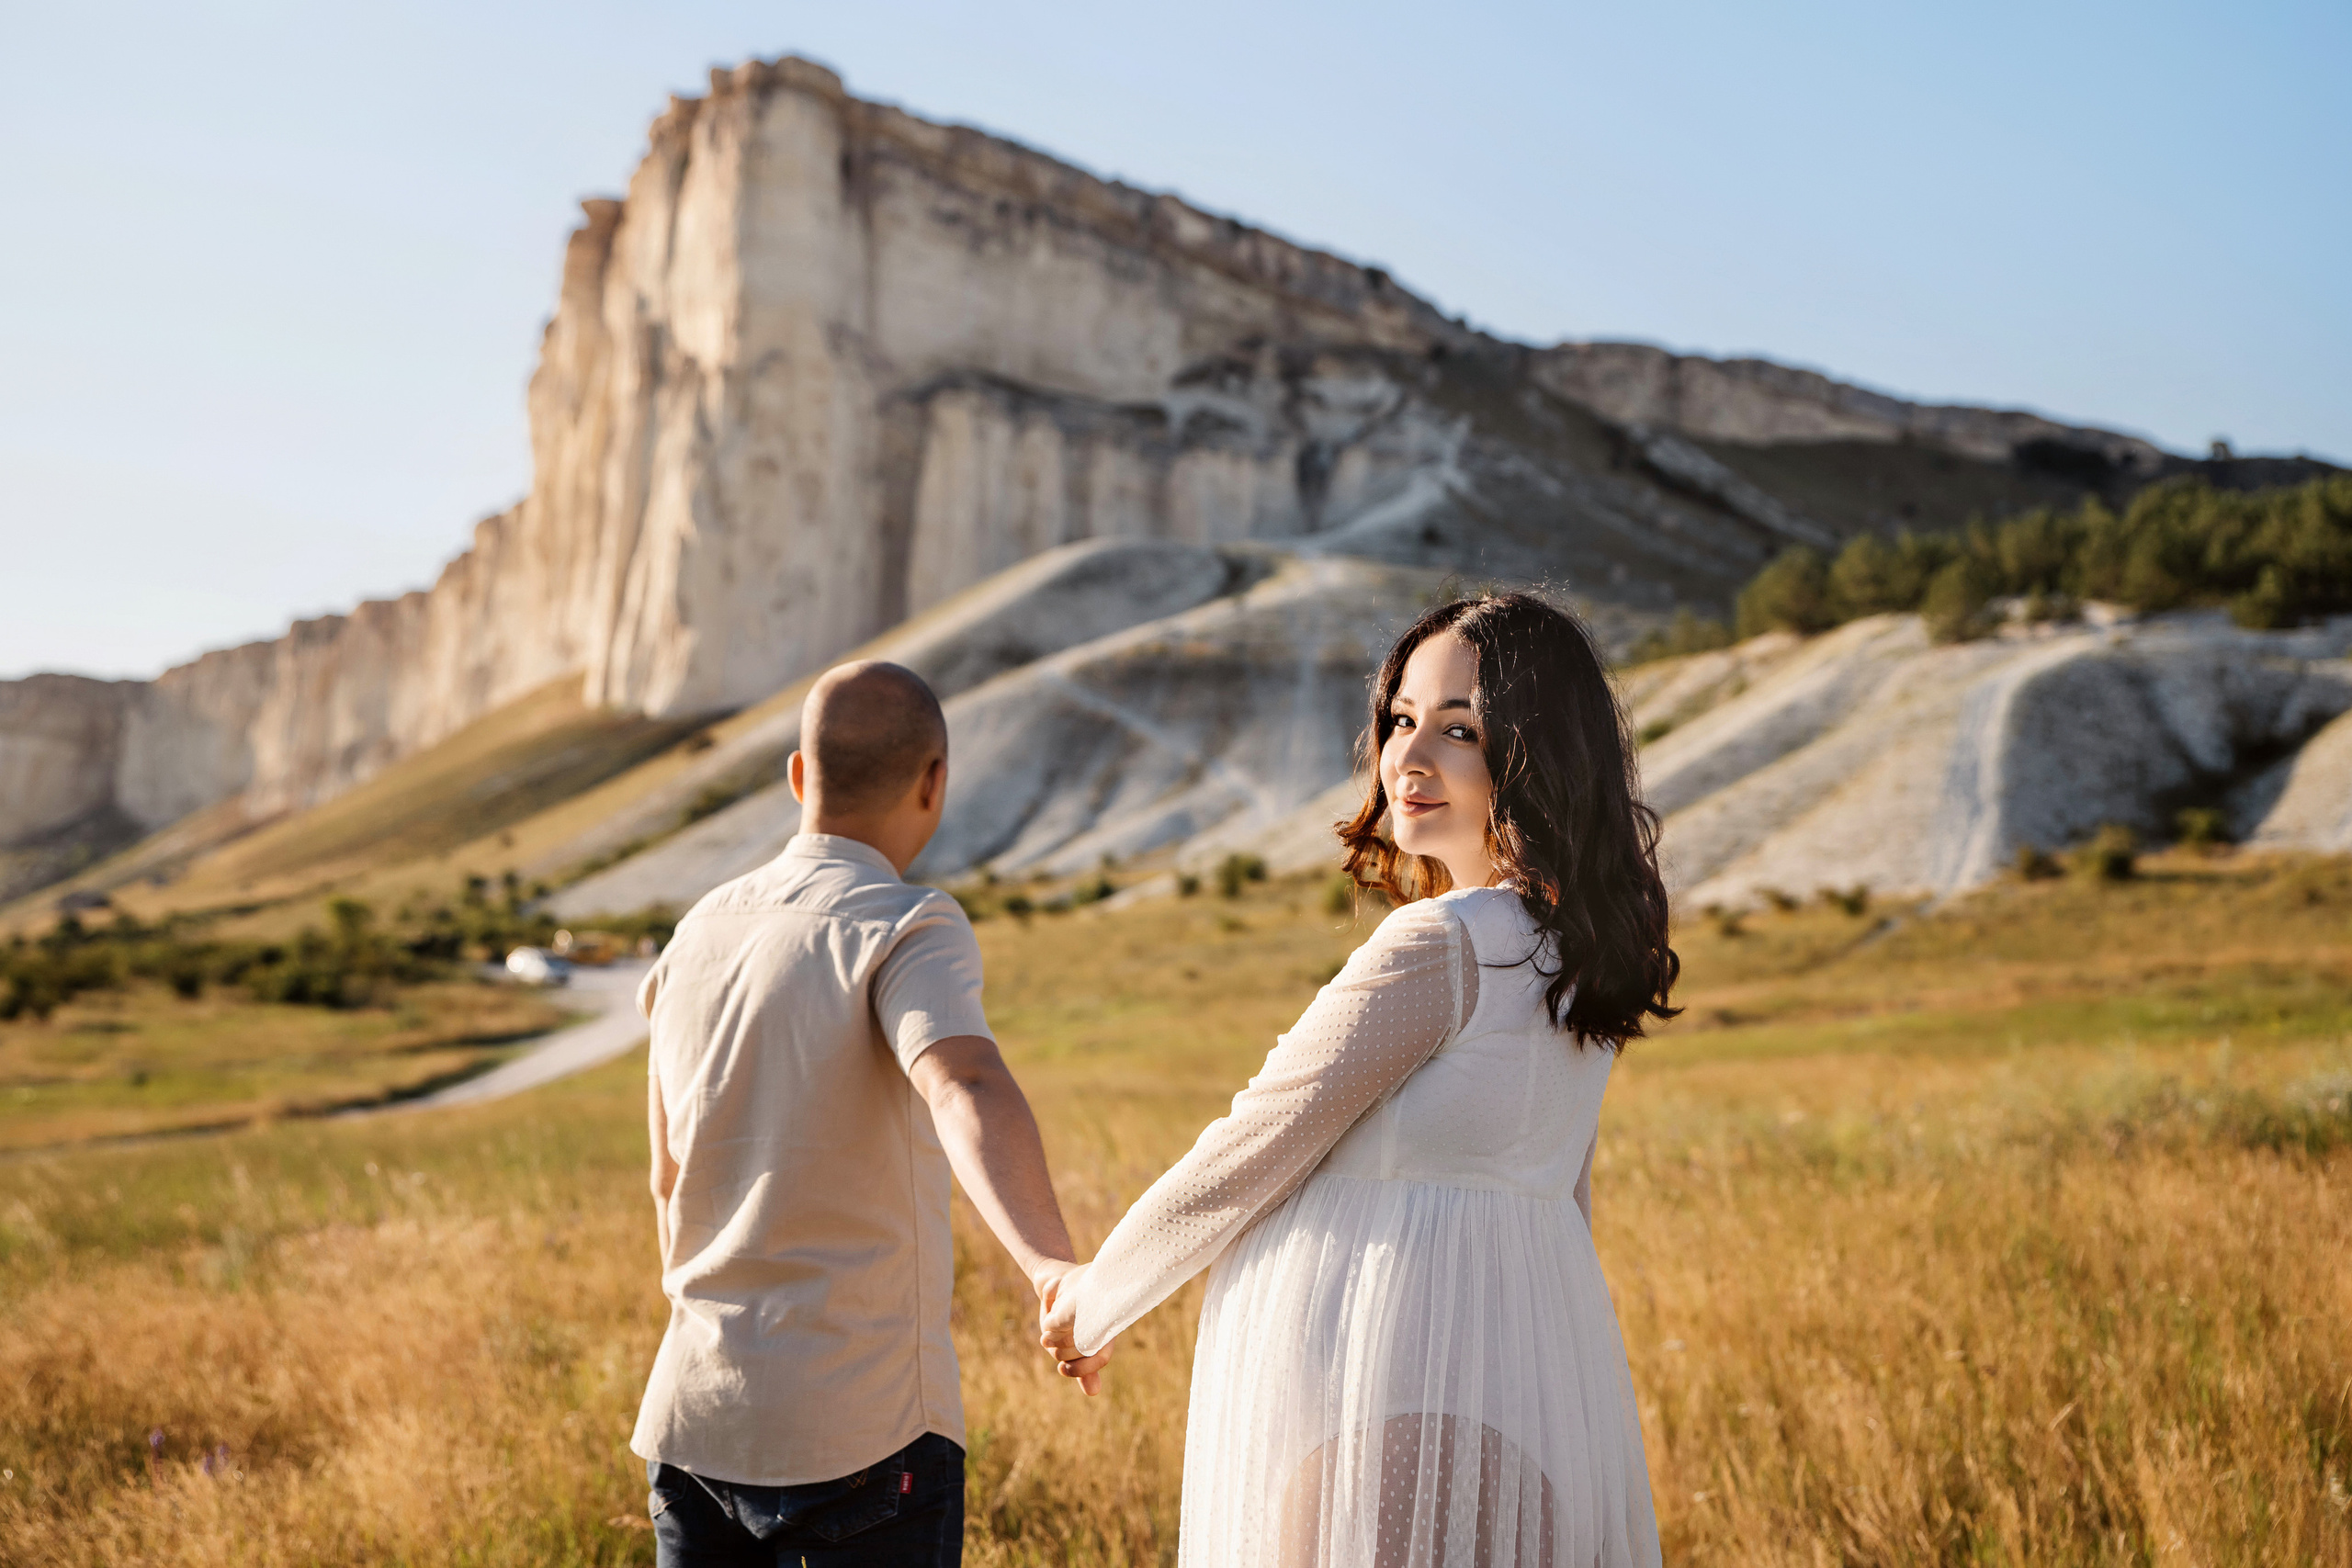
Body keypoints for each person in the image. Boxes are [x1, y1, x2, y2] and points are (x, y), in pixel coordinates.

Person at [1041, 592, 1678, 1568]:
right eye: (1400, 720)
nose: (1409, 759)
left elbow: (1255, 1144)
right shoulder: (1576, 957)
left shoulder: (1444, 944)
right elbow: (1566, 1197)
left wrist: (1094, 1302)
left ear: (1536, 754)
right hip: (1524, 1390)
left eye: (1459, 730)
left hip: (1384, 1388)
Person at [634, 660, 1085, 1568]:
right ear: (934, 783)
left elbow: (665, 1176)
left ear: (798, 778)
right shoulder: (902, 922)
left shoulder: (697, 935)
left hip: (694, 1421)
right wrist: (1049, 1266)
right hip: (863, 1429)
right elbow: (963, 1079)